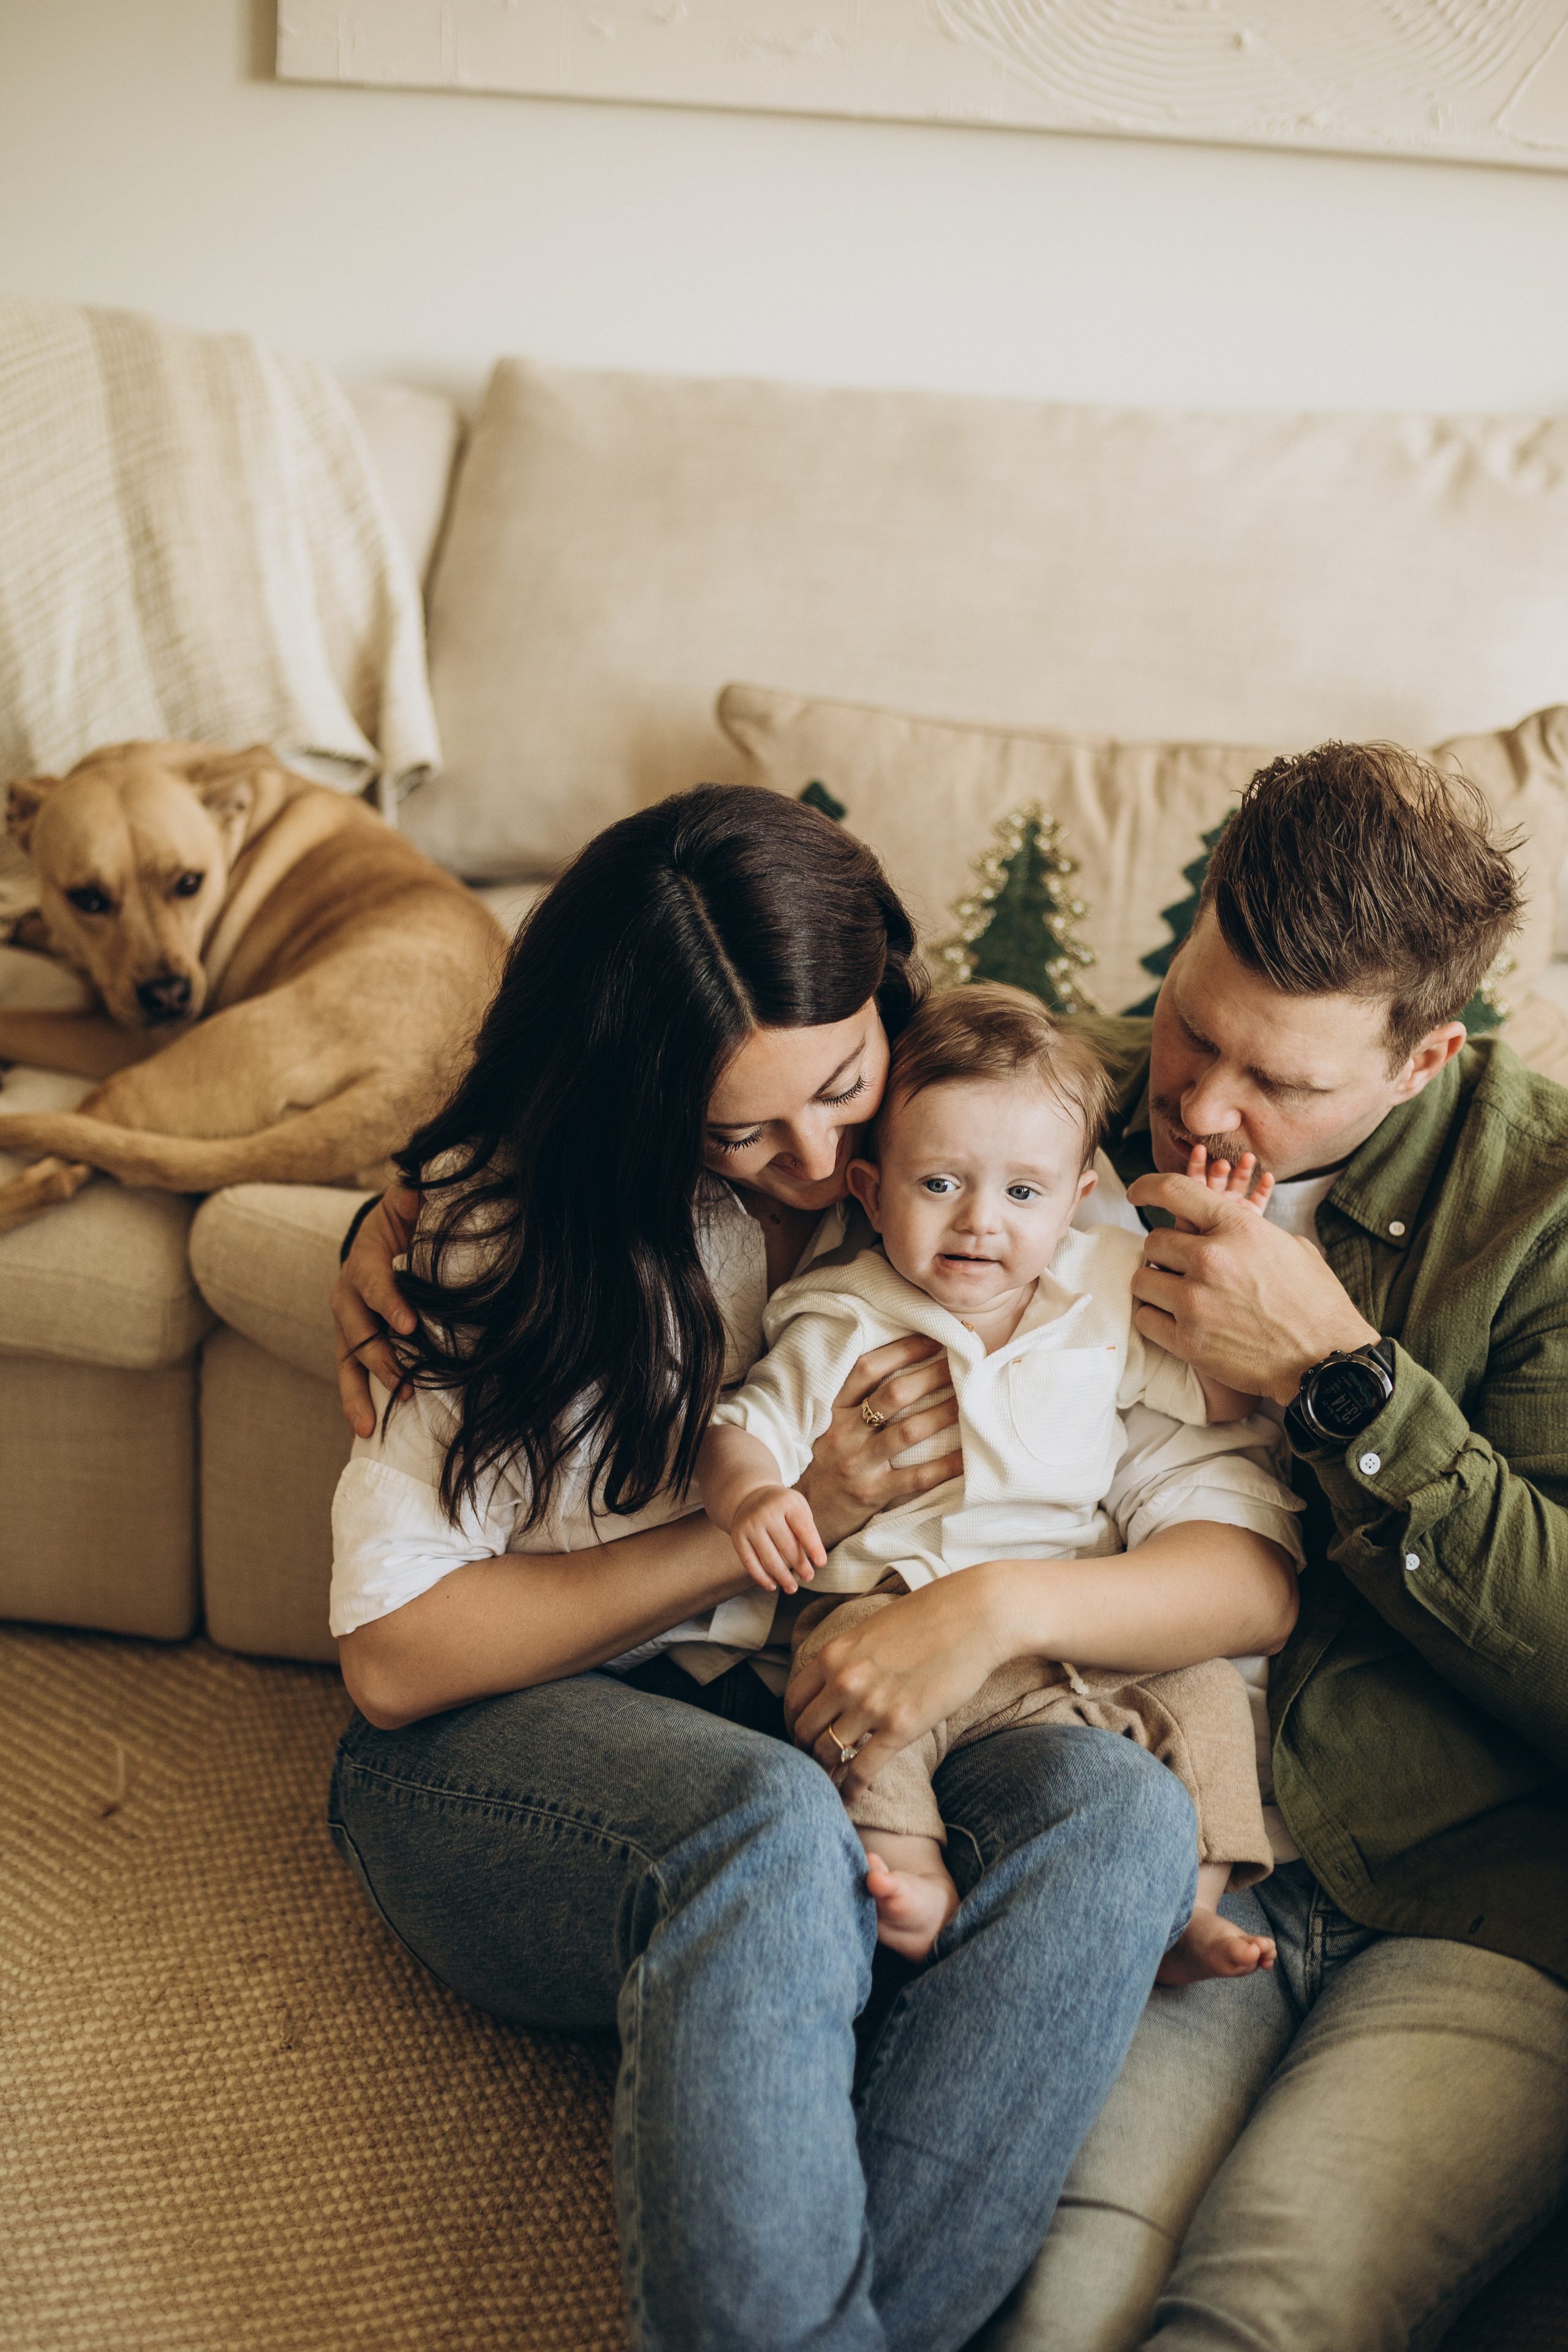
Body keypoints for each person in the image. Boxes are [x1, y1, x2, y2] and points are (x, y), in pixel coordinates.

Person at [325, 784, 1302, 2352]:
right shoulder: (508, 1234)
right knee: (767, 1826)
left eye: (846, 1085)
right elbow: (394, 1659)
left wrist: (986, 1607)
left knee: (1121, 1811)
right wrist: (762, 1521)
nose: (824, 1155)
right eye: (740, 1129)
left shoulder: (999, 1164)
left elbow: (1223, 1526)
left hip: (818, 1703)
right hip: (498, 1742)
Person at [971, 743, 1568, 2352]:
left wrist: (1341, 1381)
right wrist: (408, 1228)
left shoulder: (1549, 1209)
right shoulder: (1048, 1099)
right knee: (1059, 2303)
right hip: (1177, 1848)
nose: (1204, 1102)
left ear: (1429, 1055)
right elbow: (727, 1134)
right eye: (1190, 1023)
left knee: (1262, 2315)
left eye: (1280, 1083)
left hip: (1483, 1897)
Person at [699, 983, 1283, 1978]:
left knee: (1213, 1701)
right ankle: (909, 1869)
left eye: (1023, 1194)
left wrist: (1227, 1250)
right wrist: (756, 1496)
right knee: (844, 1707)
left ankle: (1190, 1901)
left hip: (1070, 1624)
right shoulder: (843, 1314)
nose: (980, 1222)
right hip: (889, 1610)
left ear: (1074, 1201)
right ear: (871, 1193)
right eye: (940, 1186)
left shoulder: (1102, 1290)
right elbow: (741, 1426)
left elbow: (1220, 1401)